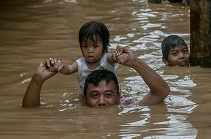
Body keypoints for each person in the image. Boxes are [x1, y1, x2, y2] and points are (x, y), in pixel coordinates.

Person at [21, 46, 170, 108]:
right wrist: (37, 80)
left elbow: (162, 92)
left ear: (119, 97)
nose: (101, 102)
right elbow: (30, 111)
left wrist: (134, 62)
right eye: (94, 95)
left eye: (109, 94)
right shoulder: (78, 109)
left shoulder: (127, 107)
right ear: (83, 99)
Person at [56, 21, 119, 97]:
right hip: (86, 99)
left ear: (104, 46)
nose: (90, 50)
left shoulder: (106, 60)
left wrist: (117, 56)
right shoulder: (80, 64)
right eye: (85, 46)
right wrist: (61, 67)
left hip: (108, 97)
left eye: (95, 46)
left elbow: (113, 58)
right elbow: (69, 69)